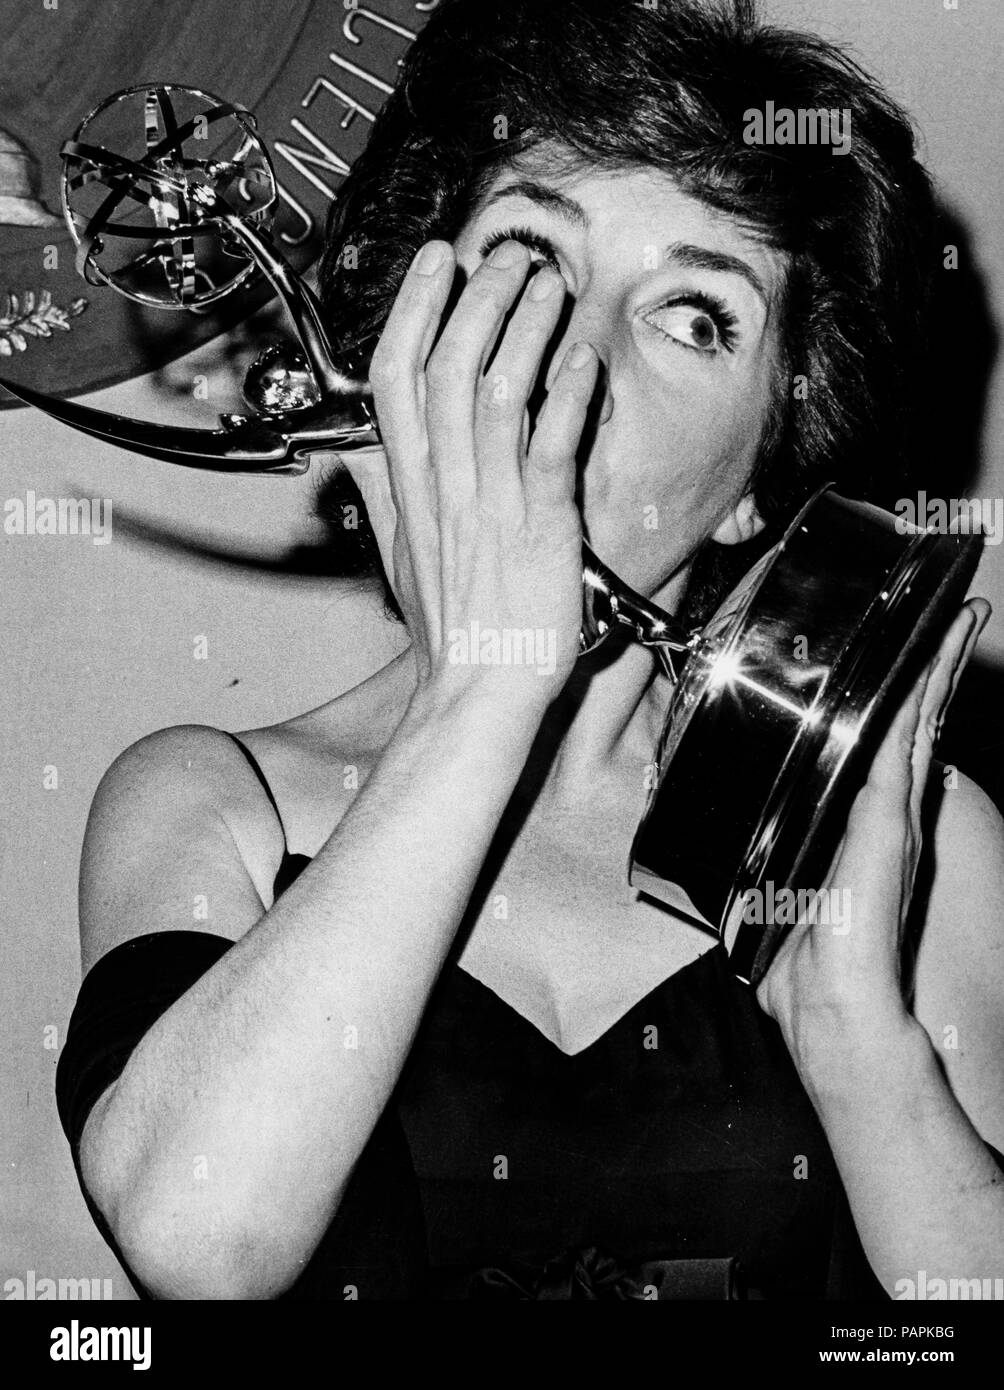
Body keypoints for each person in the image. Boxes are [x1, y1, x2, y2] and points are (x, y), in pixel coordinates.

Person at [56, 0, 1004, 1300]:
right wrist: (486, 685)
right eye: (525, 268)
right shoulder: (206, 800)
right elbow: (198, 1236)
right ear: (418, 351)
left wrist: (851, 1034)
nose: (579, 353)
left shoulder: (922, 849)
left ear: (751, 485)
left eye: (693, 315)